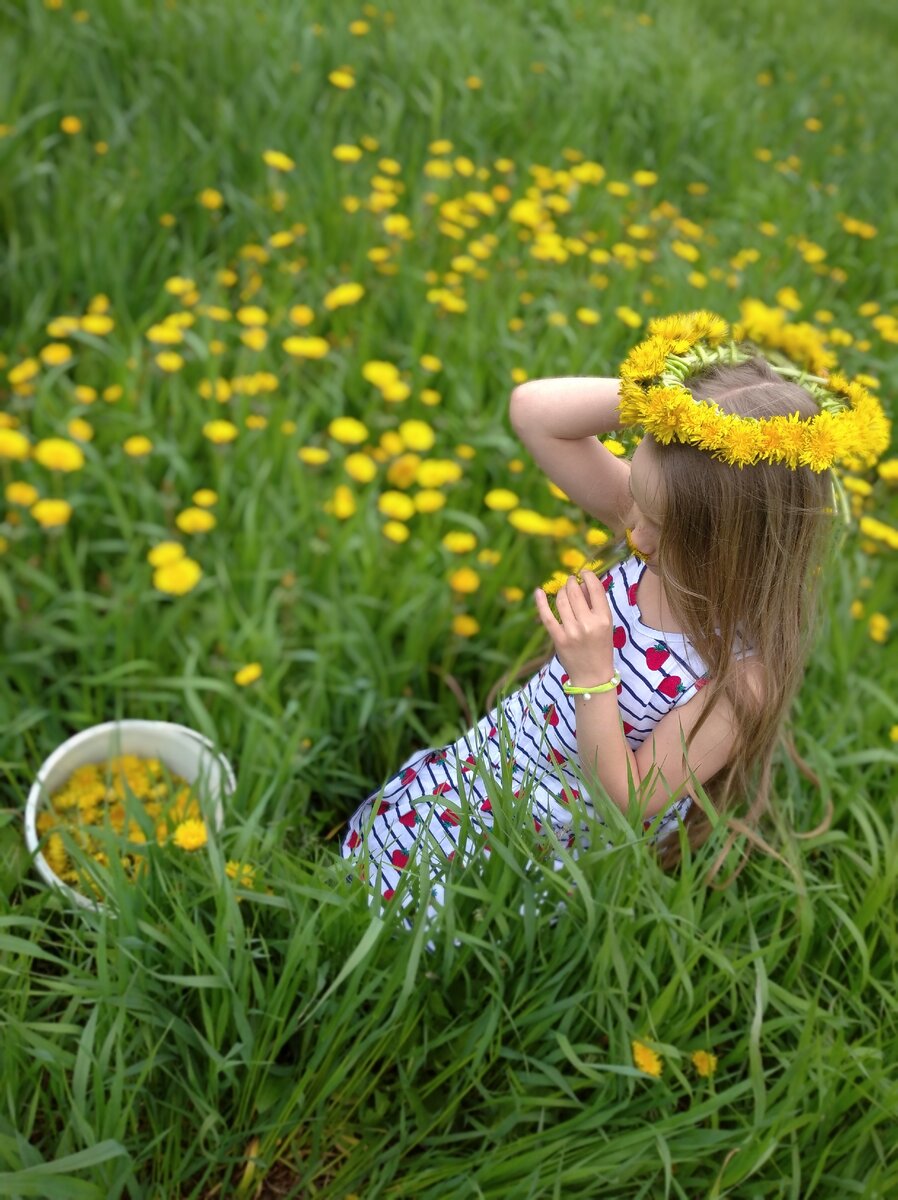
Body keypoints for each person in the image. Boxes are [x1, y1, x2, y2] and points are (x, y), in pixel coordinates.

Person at [340, 309, 890, 924]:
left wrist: (593, 674)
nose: (633, 532)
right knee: (367, 880)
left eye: (658, 522)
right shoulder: (660, 526)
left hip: (540, 846)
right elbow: (534, 413)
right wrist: (666, 406)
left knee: (426, 929)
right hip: (479, 781)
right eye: (639, 503)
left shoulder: (740, 682)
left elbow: (628, 799)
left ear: (734, 543)